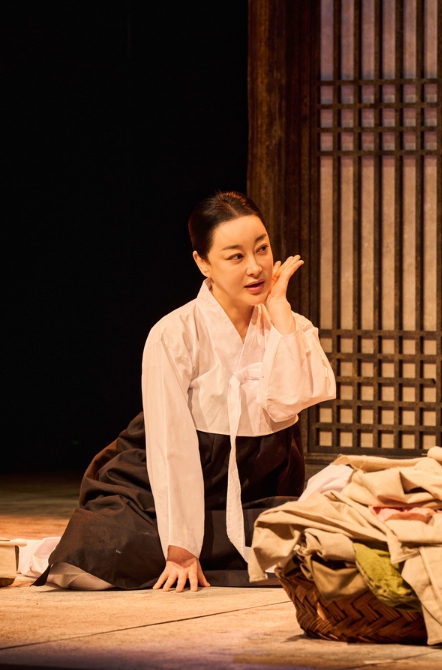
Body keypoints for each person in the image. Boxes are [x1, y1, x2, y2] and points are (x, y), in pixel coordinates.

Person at [35, 191, 336, 592]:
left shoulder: (289, 325)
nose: (255, 267)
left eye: (262, 249)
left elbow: (297, 399)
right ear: (203, 262)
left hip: (253, 485)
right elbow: (170, 445)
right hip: (163, 481)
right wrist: (181, 545)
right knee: (101, 551)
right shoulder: (173, 333)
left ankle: (214, 544)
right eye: (235, 256)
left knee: (319, 540)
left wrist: (281, 314)